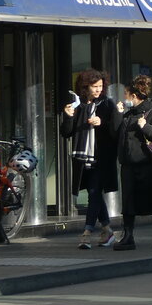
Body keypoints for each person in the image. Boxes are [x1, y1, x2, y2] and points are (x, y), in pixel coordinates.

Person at [59, 68, 120, 249]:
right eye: (94, 86)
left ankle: (86, 233)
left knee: (94, 192)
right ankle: (108, 230)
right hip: (83, 158)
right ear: (85, 87)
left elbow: (115, 130)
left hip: (101, 157)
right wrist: (68, 117)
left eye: (100, 86)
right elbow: (66, 132)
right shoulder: (78, 105)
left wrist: (102, 122)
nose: (98, 90)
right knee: (94, 193)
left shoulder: (107, 104)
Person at [113, 74, 152, 249]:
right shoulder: (129, 113)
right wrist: (117, 114)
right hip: (129, 164)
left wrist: (145, 126)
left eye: (126, 94)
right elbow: (116, 133)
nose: (124, 98)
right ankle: (128, 235)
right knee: (129, 202)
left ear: (134, 95)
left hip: (148, 164)